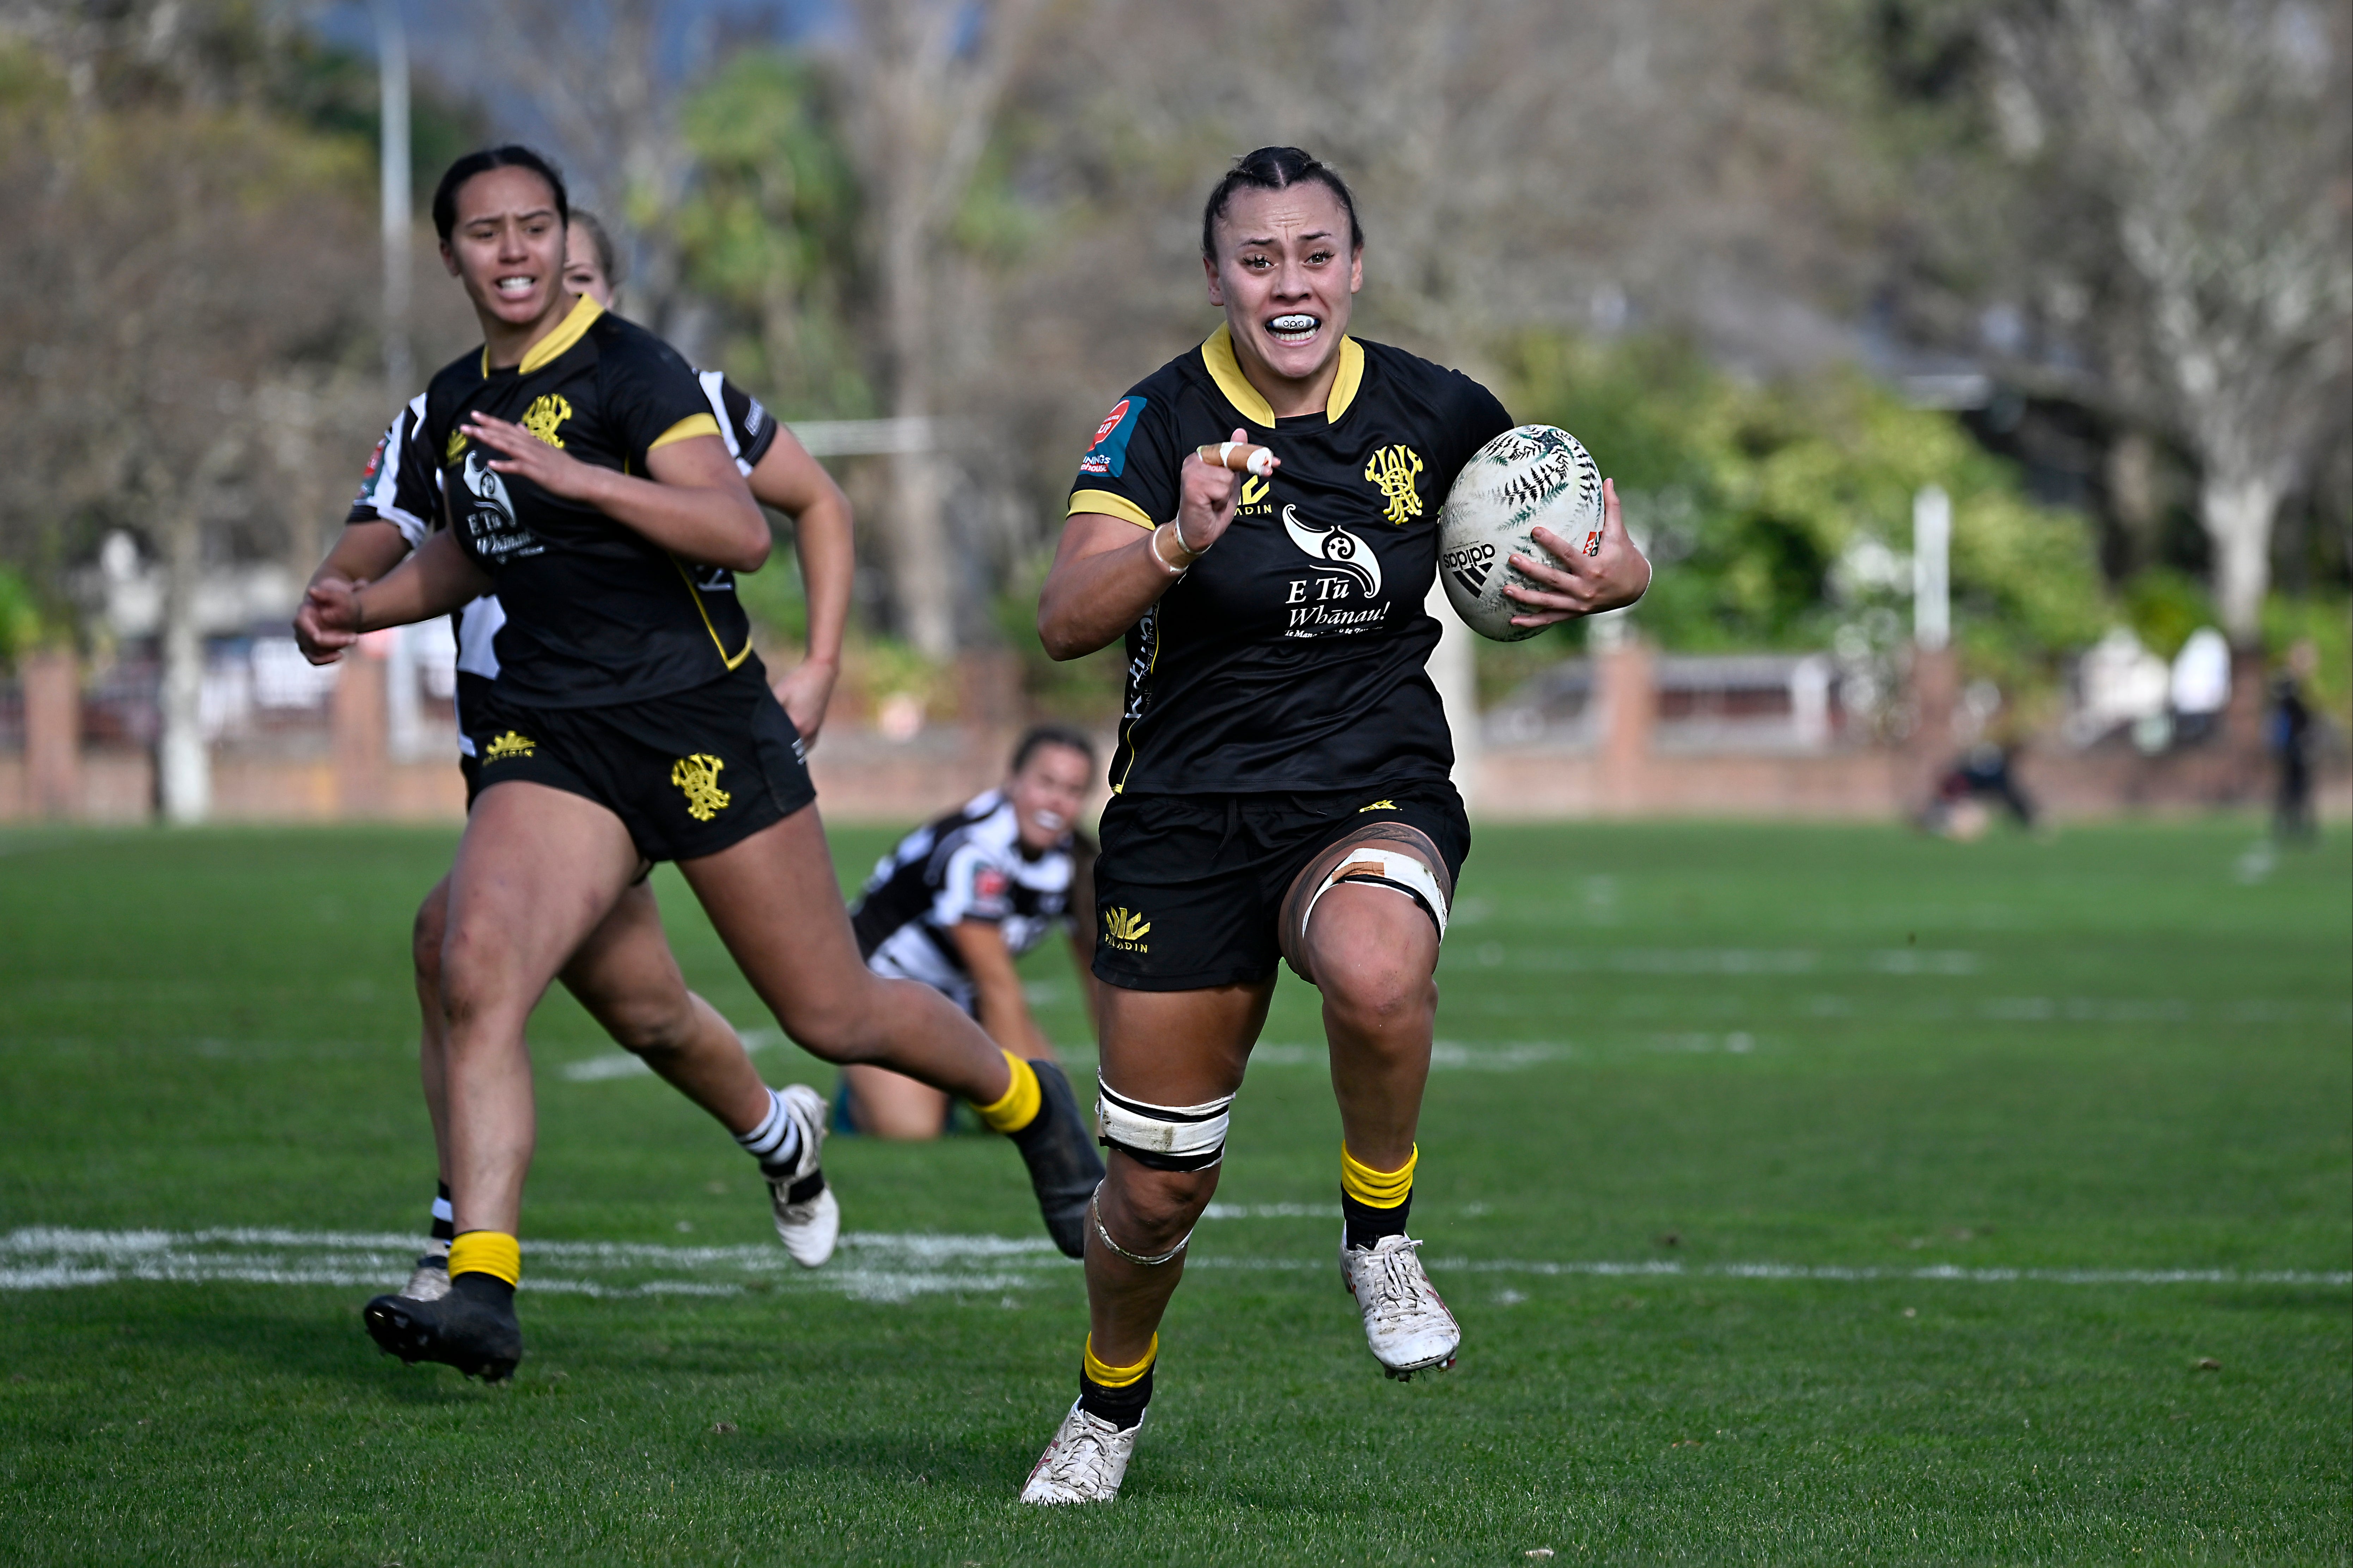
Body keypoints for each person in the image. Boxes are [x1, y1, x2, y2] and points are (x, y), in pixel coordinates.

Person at [301, 145, 1100, 1384]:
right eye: (483, 232)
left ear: (565, 237)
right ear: (449, 252)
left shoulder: (637, 369)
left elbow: (742, 527)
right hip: (550, 740)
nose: (511, 252)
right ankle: (481, 1285)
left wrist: (584, 479)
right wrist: (361, 603)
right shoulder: (457, 398)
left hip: (695, 725)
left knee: (829, 1012)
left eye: (533, 227)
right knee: (470, 955)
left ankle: (1029, 1098)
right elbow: (473, 548)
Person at [1016, 147, 1650, 1504]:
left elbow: (1587, 521)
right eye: (1258, 259)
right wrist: (1176, 539)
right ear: (1215, 277)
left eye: (1314, 254)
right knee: (1154, 1196)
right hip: (1183, 821)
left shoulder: (1433, 408)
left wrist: (1617, 571)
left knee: (1376, 964)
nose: (1288, 283)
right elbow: (1066, 618)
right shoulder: (1151, 421)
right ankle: (1103, 1410)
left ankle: (1379, 1234)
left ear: (1353, 268)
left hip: (1368, 785)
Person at [297, 206, 855, 1305]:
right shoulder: (452, 408)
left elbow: (808, 504)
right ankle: (777, 1132)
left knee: (458, 948)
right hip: (522, 738)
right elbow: (380, 532)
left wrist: (823, 660)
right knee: (638, 1006)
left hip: (657, 729)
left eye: (584, 280)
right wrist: (344, 596)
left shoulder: (665, 394)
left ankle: (461, 1241)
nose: (562, 301)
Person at [842, 726, 1102, 1138]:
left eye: (1072, 790)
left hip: (961, 992)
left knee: (1046, 1108)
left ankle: (949, 1080)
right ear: (1013, 780)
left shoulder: (1078, 861)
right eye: (1046, 782)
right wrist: (1043, 1123)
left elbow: (1100, 983)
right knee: (912, 1128)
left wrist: (1125, 1096)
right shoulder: (974, 852)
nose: (1056, 801)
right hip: (879, 983)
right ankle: (861, 1098)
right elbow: (996, 984)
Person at [2271, 638, 2318, 843]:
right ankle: (2291, 824)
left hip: (2296, 742)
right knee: (2295, 784)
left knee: (2298, 784)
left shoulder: (2295, 684)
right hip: (2293, 743)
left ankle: (2295, 824)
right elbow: (2292, 715)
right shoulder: (2288, 684)